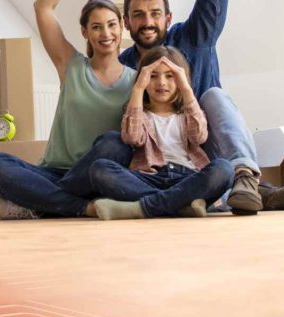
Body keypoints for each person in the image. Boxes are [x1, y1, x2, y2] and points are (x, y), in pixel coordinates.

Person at [114, 0, 284, 214]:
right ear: (126, 23)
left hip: (208, 151)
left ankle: (244, 180)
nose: (147, 22)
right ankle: (249, 194)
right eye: (138, 15)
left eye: (155, 14)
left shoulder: (193, 38)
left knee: (215, 96)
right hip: (159, 164)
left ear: (168, 19)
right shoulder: (124, 67)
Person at [0, 0, 137, 219]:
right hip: (52, 170)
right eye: (96, 27)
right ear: (85, 32)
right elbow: (43, 7)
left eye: (112, 25)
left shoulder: (136, 80)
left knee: (115, 143)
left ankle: (42, 202)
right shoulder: (70, 65)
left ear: (121, 28)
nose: (106, 34)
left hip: (96, 175)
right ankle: (81, 207)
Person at [89, 46, 233, 220]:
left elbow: (199, 136)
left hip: (187, 177)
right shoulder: (139, 113)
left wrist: (186, 90)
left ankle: (143, 207)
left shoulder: (188, 112)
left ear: (180, 80)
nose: (161, 83)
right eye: (153, 76)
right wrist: (137, 90)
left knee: (224, 169)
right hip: (149, 178)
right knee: (100, 169)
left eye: (169, 76)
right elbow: (132, 137)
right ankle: (180, 205)